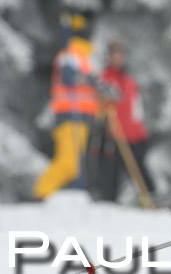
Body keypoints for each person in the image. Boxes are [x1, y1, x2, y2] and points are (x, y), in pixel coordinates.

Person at [34, 10, 98, 199]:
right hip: (69, 113)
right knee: (68, 163)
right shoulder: (68, 54)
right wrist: (83, 78)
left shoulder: (86, 57)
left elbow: (89, 83)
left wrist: (99, 87)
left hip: (83, 115)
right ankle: (42, 193)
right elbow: (68, 78)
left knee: (75, 165)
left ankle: (45, 194)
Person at [95, 39, 154, 202]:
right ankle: (107, 204)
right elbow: (97, 106)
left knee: (140, 172)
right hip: (112, 135)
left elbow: (137, 109)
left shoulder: (129, 81)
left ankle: (152, 200)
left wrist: (141, 132)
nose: (118, 59)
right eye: (115, 55)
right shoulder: (104, 78)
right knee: (110, 175)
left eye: (121, 55)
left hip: (133, 136)